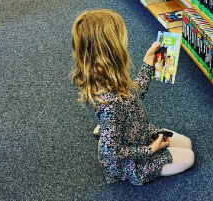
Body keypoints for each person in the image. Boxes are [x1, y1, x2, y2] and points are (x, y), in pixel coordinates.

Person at [70, 9, 194, 185]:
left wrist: (147, 63)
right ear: (111, 50)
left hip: (137, 132)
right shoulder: (110, 102)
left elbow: (134, 97)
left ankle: (108, 131)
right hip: (131, 159)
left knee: (187, 143)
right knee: (189, 157)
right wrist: (150, 150)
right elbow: (111, 151)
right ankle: (110, 139)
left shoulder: (112, 76)